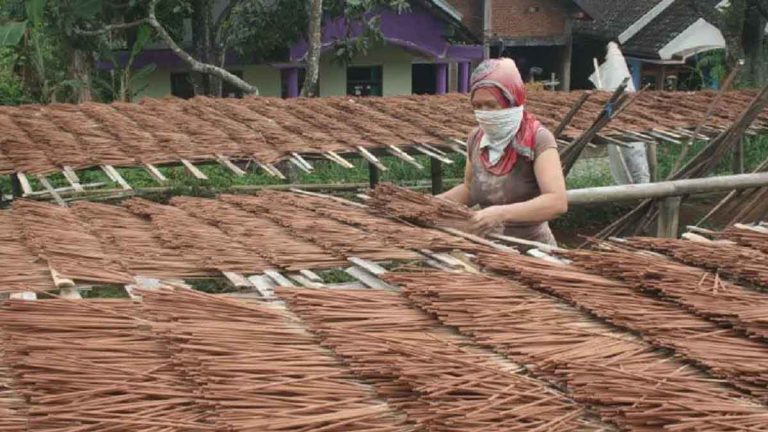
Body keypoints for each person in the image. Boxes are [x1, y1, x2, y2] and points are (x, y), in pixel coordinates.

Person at [438, 58, 567, 246]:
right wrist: (432, 203)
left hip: (532, 251)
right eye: (477, 106)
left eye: (491, 105)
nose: (484, 113)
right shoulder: (476, 139)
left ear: (512, 100)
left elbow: (557, 202)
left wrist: (500, 213)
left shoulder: (538, 139)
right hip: (488, 247)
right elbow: (468, 189)